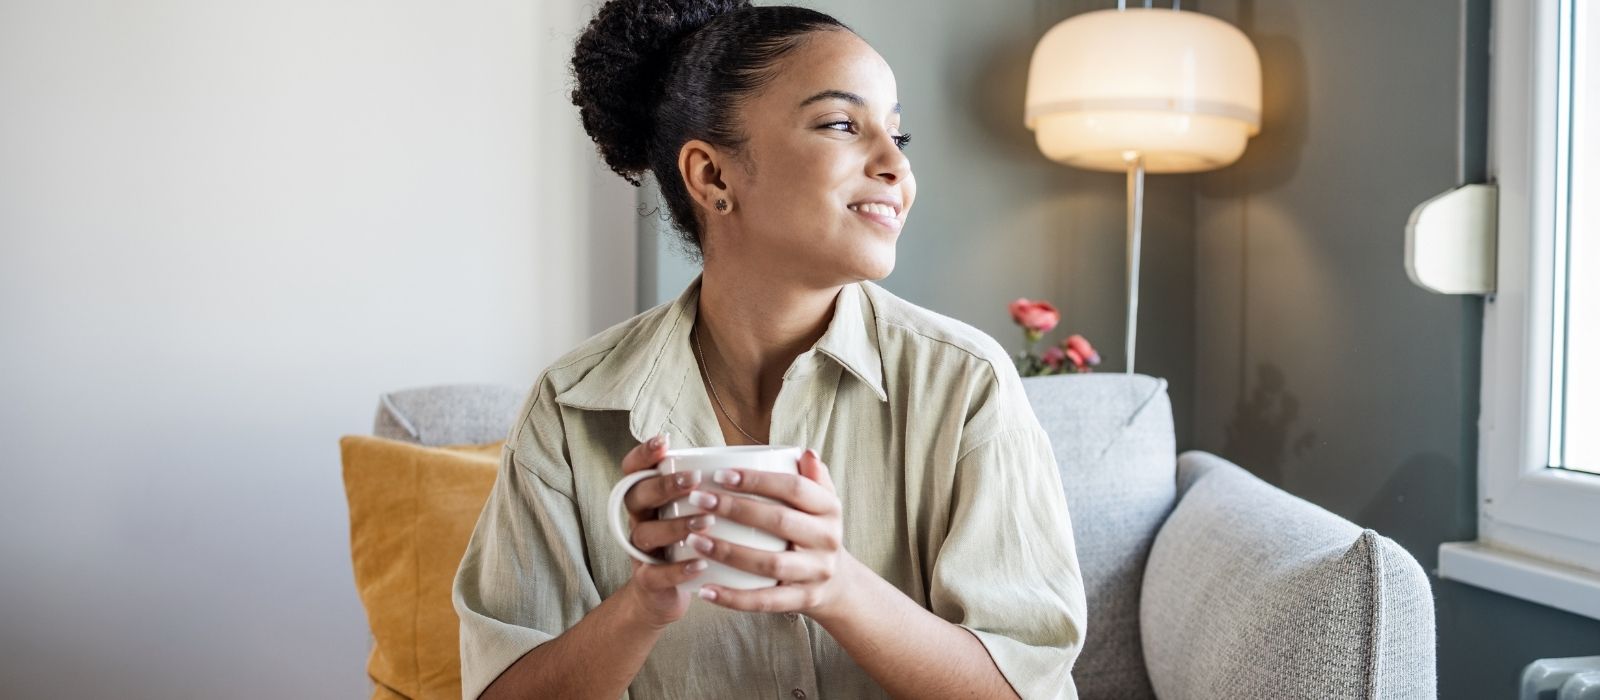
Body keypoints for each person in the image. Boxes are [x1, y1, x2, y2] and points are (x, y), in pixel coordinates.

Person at [450, 1, 1087, 698]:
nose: (894, 167)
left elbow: (1031, 689)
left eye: (899, 138)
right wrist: (644, 605)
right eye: (843, 124)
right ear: (713, 177)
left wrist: (836, 586)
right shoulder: (570, 407)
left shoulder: (967, 385)